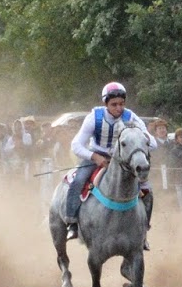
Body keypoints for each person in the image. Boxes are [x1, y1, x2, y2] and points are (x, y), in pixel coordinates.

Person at [60, 82, 152, 239]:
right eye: (114, 104)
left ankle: (143, 231)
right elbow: (76, 145)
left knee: (147, 189)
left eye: (121, 104)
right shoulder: (94, 118)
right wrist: (95, 157)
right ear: (106, 104)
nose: (119, 108)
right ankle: (72, 222)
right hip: (97, 156)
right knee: (78, 180)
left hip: (123, 161)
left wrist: (142, 139)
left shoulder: (131, 117)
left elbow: (152, 142)